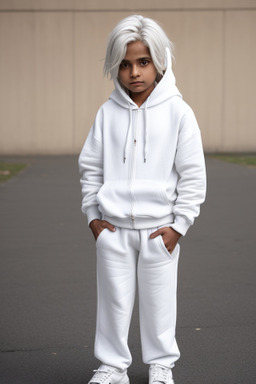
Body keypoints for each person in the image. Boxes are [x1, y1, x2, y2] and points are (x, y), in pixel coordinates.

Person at [78, 14, 206, 384]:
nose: (134, 72)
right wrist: (93, 217)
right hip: (113, 229)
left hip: (158, 231)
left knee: (159, 303)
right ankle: (113, 367)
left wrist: (178, 226)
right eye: (124, 64)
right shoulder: (107, 114)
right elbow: (90, 167)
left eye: (143, 62)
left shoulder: (179, 113)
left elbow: (193, 174)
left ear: (159, 62)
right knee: (113, 303)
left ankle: (161, 366)